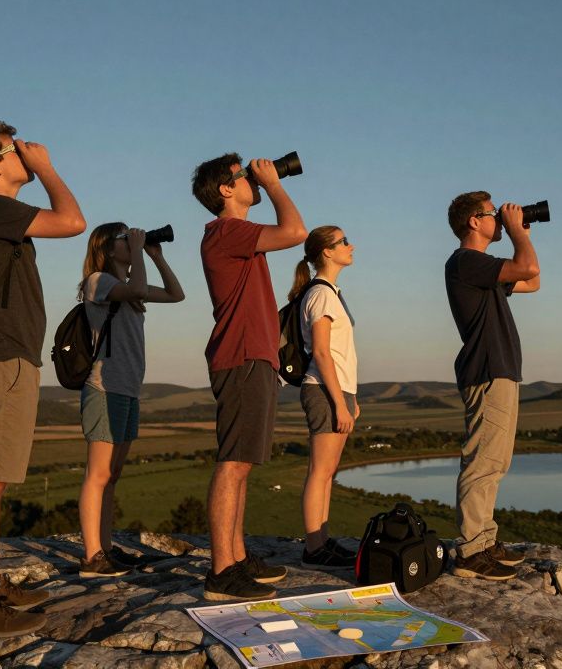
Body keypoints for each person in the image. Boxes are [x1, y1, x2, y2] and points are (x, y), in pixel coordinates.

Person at [0, 122, 86, 638]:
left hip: (8, 356)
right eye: (15, 148)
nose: (25, 152)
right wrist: (46, 167)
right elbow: (73, 221)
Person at [191, 152, 306, 600]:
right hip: (241, 356)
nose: (253, 180)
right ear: (225, 190)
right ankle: (222, 571)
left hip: (253, 356)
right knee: (233, 462)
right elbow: (295, 232)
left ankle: (236, 558)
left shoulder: (237, 235)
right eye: (244, 176)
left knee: (242, 465)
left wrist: (263, 181)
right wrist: (274, 183)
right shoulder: (226, 231)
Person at [75, 222, 185, 577]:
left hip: (127, 389)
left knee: (113, 475)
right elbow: (136, 287)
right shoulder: (98, 282)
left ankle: (106, 549)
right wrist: (139, 252)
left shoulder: (127, 290)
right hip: (103, 389)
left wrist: (155, 256)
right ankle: (92, 556)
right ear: (107, 248)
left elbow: (176, 294)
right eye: (125, 238)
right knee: (98, 474)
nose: (131, 240)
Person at [443, 192, 541, 581]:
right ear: (473, 221)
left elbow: (532, 280)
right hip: (486, 370)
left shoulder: (483, 268)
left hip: (500, 370)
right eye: (493, 214)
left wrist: (522, 233)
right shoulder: (465, 262)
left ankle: (484, 540)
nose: (499, 219)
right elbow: (528, 265)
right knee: (483, 462)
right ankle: (470, 551)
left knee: (495, 463)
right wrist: (515, 232)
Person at [289, 226, 359, 568]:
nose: (351, 246)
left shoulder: (330, 292)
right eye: (343, 241)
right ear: (327, 252)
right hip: (324, 390)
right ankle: (314, 548)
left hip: (337, 389)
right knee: (320, 471)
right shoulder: (321, 294)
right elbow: (320, 352)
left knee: (328, 471)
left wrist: (351, 398)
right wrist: (340, 403)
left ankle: (323, 540)